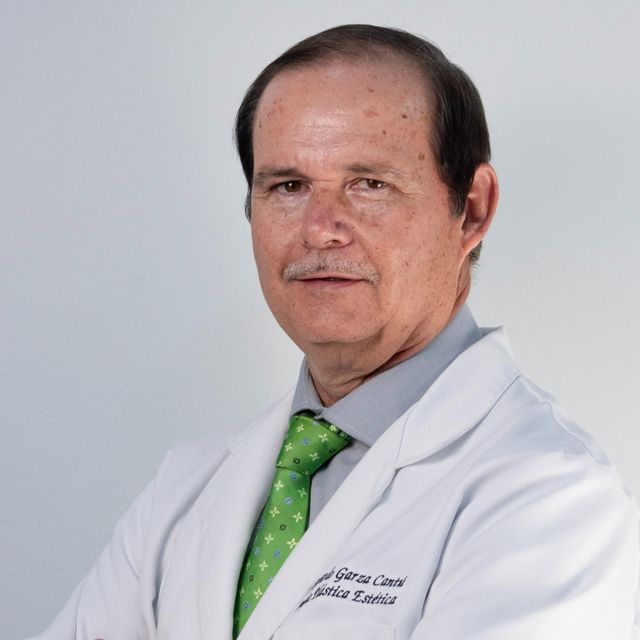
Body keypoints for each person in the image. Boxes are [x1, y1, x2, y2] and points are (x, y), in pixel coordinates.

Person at [30, 24, 638, 640]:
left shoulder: (549, 495)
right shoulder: (186, 487)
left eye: (370, 184)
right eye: (288, 186)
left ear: (471, 210)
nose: (320, 228)